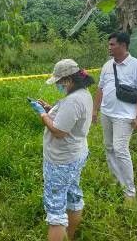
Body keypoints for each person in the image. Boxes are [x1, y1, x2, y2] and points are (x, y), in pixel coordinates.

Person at [29, 59, 94, 241]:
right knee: (73, 196)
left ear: (69, 80)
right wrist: (50, 109)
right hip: (76, 155)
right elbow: (68, 118)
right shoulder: (83, 94)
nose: (58, 85)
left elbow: (59, 131)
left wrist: (42, 115)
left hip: (61, 161)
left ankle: (61, 234)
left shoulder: (73, 100)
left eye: (59, 82)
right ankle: (70, 236)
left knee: (55, 212)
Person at [92, 32, 137, 202]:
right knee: (109, 147)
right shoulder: (107, 66)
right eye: (109, 44)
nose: (109, 47)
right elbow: (100, 89)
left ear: (123, 46)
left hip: (124, 117)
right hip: (107, 114)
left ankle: (129, 192)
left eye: (112, 44)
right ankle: (116, 181)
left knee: (120, 150)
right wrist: (95, 111)